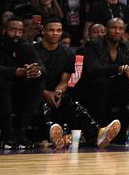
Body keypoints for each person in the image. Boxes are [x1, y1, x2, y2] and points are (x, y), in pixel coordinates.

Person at [37, 17, 120, 150]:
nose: (55, 33)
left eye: (58, 30)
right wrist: (45, 92)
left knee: (74, 105)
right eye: (51, 30)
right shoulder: (34, 50)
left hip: (57, 92)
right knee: (41, 105)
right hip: (36, 91)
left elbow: (65, 80)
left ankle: (99, 133)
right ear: (43, 31)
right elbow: (31, 79)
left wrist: (58, 91)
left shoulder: (67, 53)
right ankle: (54, 135)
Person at [78, 18, 129, 144]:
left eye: (120, 29)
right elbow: (93, 69)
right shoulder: (93, 45)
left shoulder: (128, 47)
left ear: (123, 32)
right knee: (102, 82)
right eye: (113, 28)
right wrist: (122, 68)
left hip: (117, 90)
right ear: (107, 30)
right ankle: (94, 133)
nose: (117, 31)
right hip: (94, 91)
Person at [0, 17, 45, 148]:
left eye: (20, 31)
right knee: (0, 81)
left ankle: (21, 133)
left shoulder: (25, 46)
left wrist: (36, 71)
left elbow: (42, 67)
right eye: (13, 30)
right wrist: (16, 71)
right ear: (4, 31)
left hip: (17, 87)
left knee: (38, 81)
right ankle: (9, 135)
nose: (17, 34)